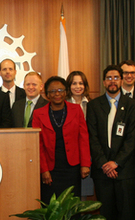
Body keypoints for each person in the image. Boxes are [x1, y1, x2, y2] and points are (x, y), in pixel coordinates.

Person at [32, 76, 91, 204]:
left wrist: (85, 164)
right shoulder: (38, 113)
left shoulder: (76, 110)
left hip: (72, 168)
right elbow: (38, 144)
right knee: (51, 206)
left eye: (60, 90)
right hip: (51, 169)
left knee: (71, 206)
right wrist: (44, 170)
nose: (57, 94)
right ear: (47, 94)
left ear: (65, 92)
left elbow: (83, 138)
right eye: (53, 91)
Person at [87, 65, 135, 220]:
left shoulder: (131, 105)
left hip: (125, 171)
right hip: (102, 172)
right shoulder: (93, 105)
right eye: (109, 78)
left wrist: (116, 162)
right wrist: (104, 164)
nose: (112, 81)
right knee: (106, 214)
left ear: (121, 81)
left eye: (116, 78)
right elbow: (92, 138)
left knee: (127, 213)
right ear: (103, 82)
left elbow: (132, 138)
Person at [66, 71, 93, 200]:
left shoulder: (92, 104)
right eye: (74, 83)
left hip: (88, 153)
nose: (78, 86)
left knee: (84, 194)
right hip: (69, 154)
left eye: (81, 83)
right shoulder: (63, 105)